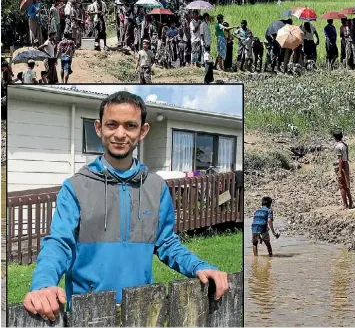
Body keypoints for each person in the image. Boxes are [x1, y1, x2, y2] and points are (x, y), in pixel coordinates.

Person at [23, 92, 228, 321]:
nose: (120, 134)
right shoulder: (75, 187)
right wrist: (43, 284)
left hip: (142, 311)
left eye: (130, 125)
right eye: (112, 124)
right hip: (88, 313)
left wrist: (199, 266)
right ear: (99, 128)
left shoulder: (157, 187)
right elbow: (59, 243)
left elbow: (167, 243)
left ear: (143, 131)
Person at [333, 130, 353, 209]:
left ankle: (345, 204)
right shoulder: (345, 144)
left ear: (335, 138)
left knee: (342, 186)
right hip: (346, 164)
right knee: (347, 185)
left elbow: (340, 159)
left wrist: (340, 171)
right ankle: (351, 202)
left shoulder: (338, 147)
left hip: (342, 165)